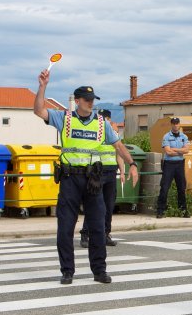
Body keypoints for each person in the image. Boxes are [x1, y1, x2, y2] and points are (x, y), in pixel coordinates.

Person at [34, 71, 139, 285]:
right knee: (65, 227)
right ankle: (67, 271)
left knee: (98, 227)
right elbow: (38, 110)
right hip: (70, 179)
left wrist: (133, 164)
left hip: (93, 181)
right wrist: (43, 86)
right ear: (78, 101)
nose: (91, 103)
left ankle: (99, 271)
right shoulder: (64, 118)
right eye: (88, 100)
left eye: (93, 100)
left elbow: (118, 145)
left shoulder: (101, 123)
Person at [79, 109, 121, 247]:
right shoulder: (94, 133)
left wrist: (123, 171)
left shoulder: (114, 134)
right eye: (102, 118)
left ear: (109, 119)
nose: (104, 121)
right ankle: (85, 234)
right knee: (93, 205)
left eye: (106, 118)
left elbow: (119, 152)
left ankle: (105, 234)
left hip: (111, 171)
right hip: (97, 172)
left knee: (109, 205)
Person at [156, 117, 190, 219]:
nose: (175, 125)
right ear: (171, 124)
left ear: (179, 124)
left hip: (180, 164)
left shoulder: (184, 136)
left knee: (181, 188)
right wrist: (180, 150)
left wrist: (174, 149)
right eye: (174, 123)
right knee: (165, 188)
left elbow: (187, 150)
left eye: (177, 123)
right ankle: (160, 211)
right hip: (169, 165)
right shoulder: (166, 136)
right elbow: (168, 152)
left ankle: (183, 211)